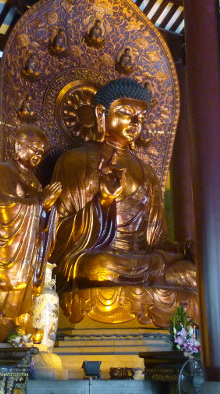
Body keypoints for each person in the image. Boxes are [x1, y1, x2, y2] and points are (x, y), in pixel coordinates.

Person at [50, 78, 196, 324]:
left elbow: (156, 240)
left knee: (193, 274)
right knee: (101, 267)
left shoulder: (148, 173)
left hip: (145, 261)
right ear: (101, 114)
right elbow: (56, 232)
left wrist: (184, 250)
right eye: (126, 113)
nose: (135, 123)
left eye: (140, 117)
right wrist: (103, 202)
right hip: (97, 260)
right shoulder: (74, 162)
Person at [0, 125, 61, 342]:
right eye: (34, 149)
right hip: (12, 248)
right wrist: (39, 202)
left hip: (30, 249)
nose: (38, 155)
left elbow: (42, 214)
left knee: (26, 286)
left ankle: (20, 324)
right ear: (19, 146)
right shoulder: (5, 170)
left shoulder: (34, 180)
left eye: (41, 151)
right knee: (8, 281)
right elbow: (4, 205)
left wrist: (48, 208)